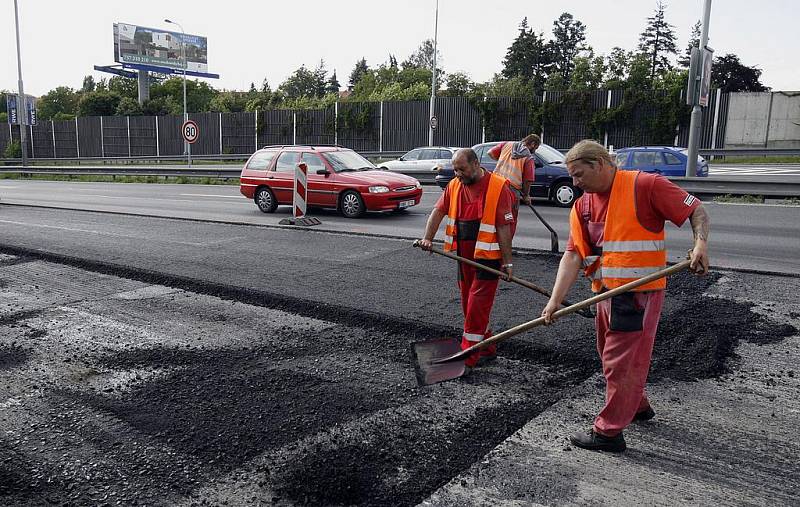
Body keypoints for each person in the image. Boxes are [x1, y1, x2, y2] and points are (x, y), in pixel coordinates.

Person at [541, 140, 710, 453]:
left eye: (579, 175)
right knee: (612, 356)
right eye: (573, 177)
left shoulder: (644, 186)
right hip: (605, 293)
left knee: (620, 363)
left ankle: (608, 433)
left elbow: (695, 209)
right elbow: (573, 255)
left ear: (601, 164)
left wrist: (700, 244)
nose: (575, 183)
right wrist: (554, 301)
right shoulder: (583, 205)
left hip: (638, 295)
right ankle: (637, 406)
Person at [418, 148, 516, 368]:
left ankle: (468, 356)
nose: (457, 174)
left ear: (475, 164)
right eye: (454, 169)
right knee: (467, 303)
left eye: (461, 169)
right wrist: (427, 238)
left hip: (489, 258)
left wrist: (508, 263)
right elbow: (438, 212)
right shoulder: (454, 185)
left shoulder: (498, 187)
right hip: (465, 256)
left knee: (476, 305)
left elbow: (503, 227)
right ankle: (487, 348)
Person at [489, 134, 540, 208]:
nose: (534, 151)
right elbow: (528, 180)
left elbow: (490, 153)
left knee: (494, 211)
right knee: (510, 215)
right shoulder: (528, 157)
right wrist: (526, 196)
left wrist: (501, 160)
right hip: (511, 189)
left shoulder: (506, 144)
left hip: (496, 184)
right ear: (532, 144)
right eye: (536, 148)